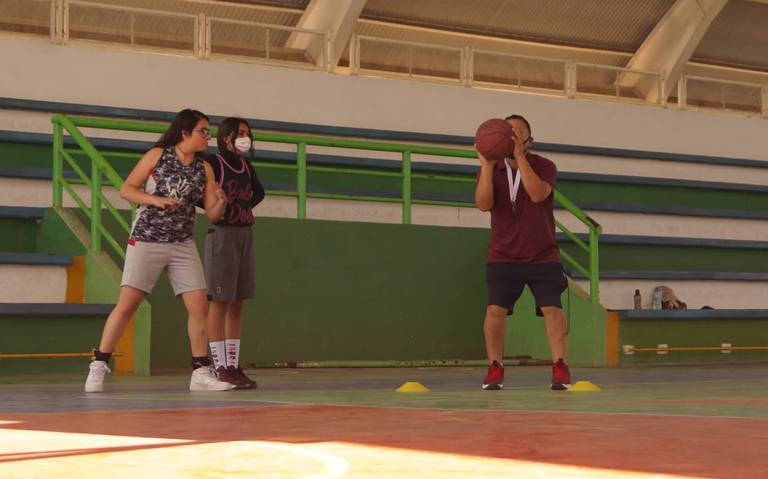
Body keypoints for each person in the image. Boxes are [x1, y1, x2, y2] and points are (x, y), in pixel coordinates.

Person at [85, 108, 234, 393]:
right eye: (203, 131)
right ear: (184, 132)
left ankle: (200, 371)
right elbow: (127, 189)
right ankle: (99, 363)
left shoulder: (205, 168)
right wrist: (155, 200)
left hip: (182, 243)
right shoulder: (157, 156)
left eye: (209, 132)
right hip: (147, 238)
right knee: (128, 304)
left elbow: (213, 214)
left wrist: (221, 203)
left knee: (199, 305)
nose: (208, 136)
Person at [474, 114, 572, 391]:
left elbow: (537, 193)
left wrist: (519, 157)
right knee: (495, 311)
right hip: (503, 255)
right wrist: (486, 165)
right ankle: (495, 366)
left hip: (542, 254)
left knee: (552, 309)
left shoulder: (545, 165)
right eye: (508, 131)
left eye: (518, 132)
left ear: (530, 140)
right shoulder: (491, 168)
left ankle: (560, 365)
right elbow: (483, 204)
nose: (512, 135)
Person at [204, 117, 265, 389]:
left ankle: (233, 364)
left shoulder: (246, 165)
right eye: (240, 133)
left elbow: (259, 193)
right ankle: (219, 367)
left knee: (238, 301)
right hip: (223, 234)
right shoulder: (214, 163)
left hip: (244, 233)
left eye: (247, 133)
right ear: (226, 136)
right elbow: (203, 197)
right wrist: (222, 206)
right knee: (219, 301)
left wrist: (243, 208)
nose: (245, 137)